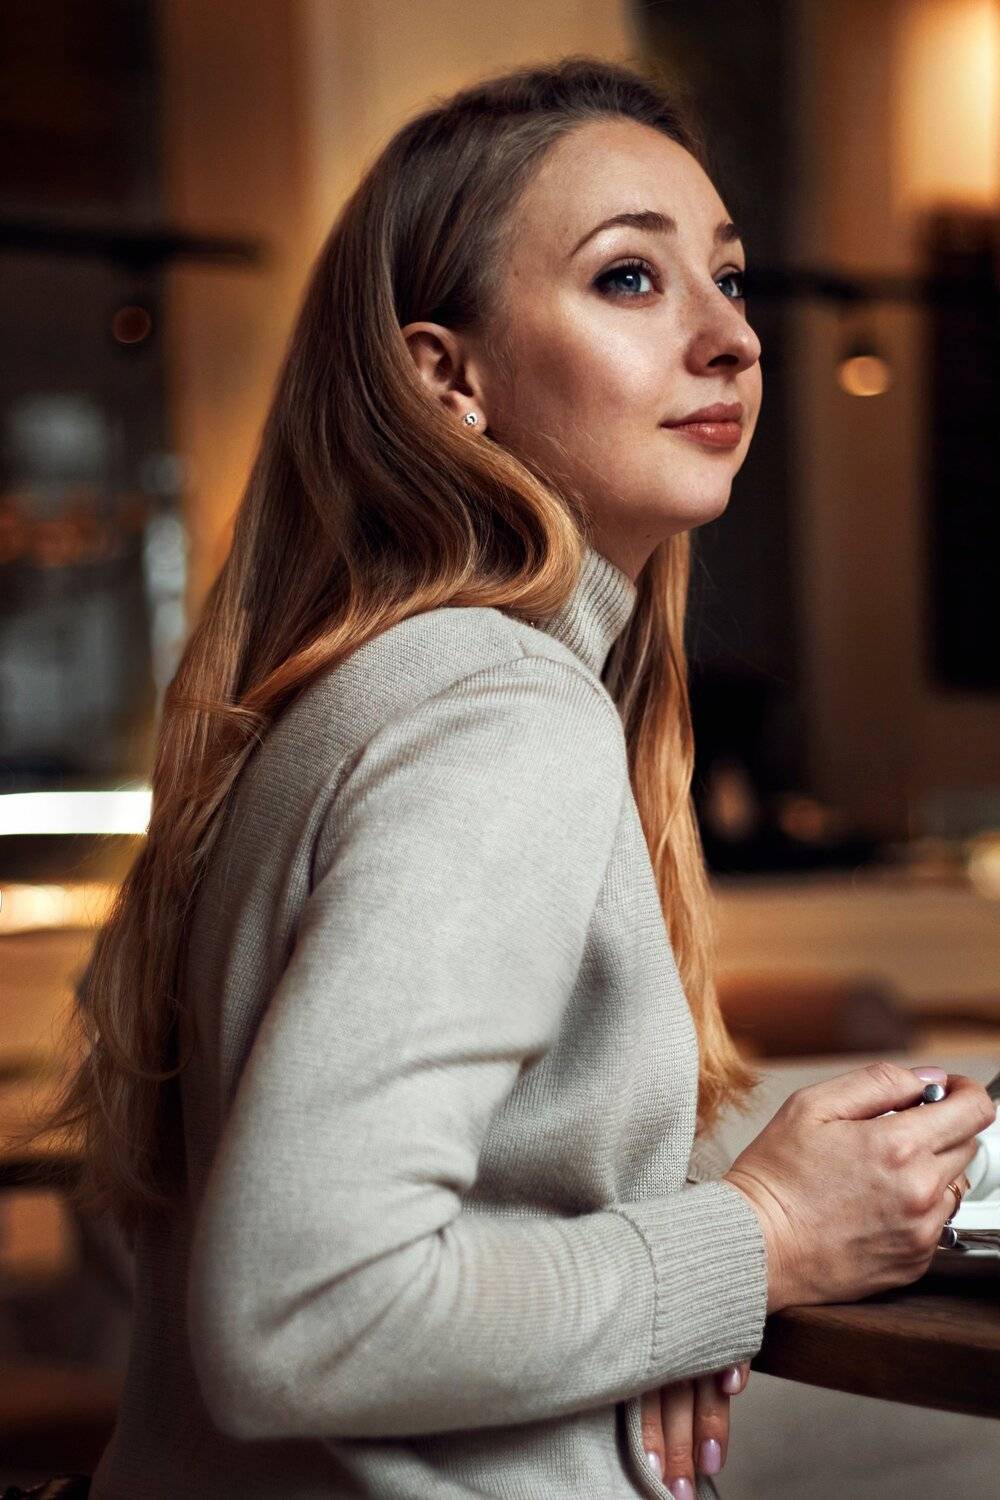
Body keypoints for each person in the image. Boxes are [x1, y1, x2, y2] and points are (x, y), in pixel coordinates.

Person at [25, 54, 993, 1500]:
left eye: (729, 278)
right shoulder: (499, 713)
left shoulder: (368, 692)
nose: (733, 338)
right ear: (447, 377)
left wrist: (684, 1272)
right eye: (629, 278)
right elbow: (302, 1313)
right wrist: (758, 1241)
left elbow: (477, 1186)